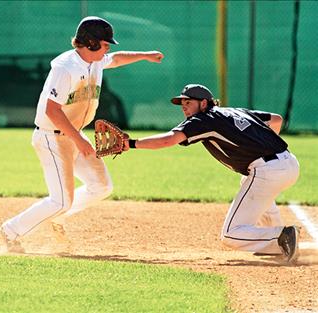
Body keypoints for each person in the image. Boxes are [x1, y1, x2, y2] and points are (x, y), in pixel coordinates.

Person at [0, 16, 164, 252]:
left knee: (101, 186)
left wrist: (145, 55)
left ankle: (58, 216)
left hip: (72, 134)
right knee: (60, 200)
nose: (108, 48)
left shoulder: (94, 61)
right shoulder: (65, 68)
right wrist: (78, 140)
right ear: (91, 43)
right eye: (105, 43)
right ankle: (10, 230)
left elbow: (116, 59)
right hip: (51, 137)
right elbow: (52, 110)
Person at [124, 84, 301, 263]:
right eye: (182, 102)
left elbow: (168, 140)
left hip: (268, 170)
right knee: (247, 181)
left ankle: (282, 236)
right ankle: (275, 239)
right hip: (290, 162)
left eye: (188, 101)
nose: (184, 106)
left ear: (203, 103)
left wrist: (130, 144)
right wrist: (263, 148)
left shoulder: (203, 119)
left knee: (231, 234)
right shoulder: (234, 111)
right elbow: (276, 119)